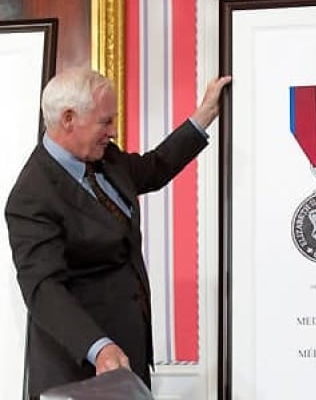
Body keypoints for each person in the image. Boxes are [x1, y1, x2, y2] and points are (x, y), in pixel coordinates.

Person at [4, 67, 231, 397]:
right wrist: (99, 348)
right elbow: (44, 289)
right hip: (80, 366)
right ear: (69, 118)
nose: (114, 131)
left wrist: (204, 116)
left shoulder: (104, 158)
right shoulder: (32, 196)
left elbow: (153, 168)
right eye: (105, 122)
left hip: (126, 354)